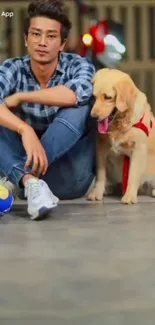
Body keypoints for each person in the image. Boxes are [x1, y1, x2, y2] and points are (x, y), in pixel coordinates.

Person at [0, 0, 96, 220]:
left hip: (70, 179)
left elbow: (74, 94)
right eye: (35, 34)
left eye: (51, 36)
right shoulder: (13, 68)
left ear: (62, 44)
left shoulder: (79, 65)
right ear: (26, 39)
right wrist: (25, 129)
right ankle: (30, 182)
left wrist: (22, 97)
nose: (42, 42)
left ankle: (17, 178)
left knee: (79, 107)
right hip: (30, 179)